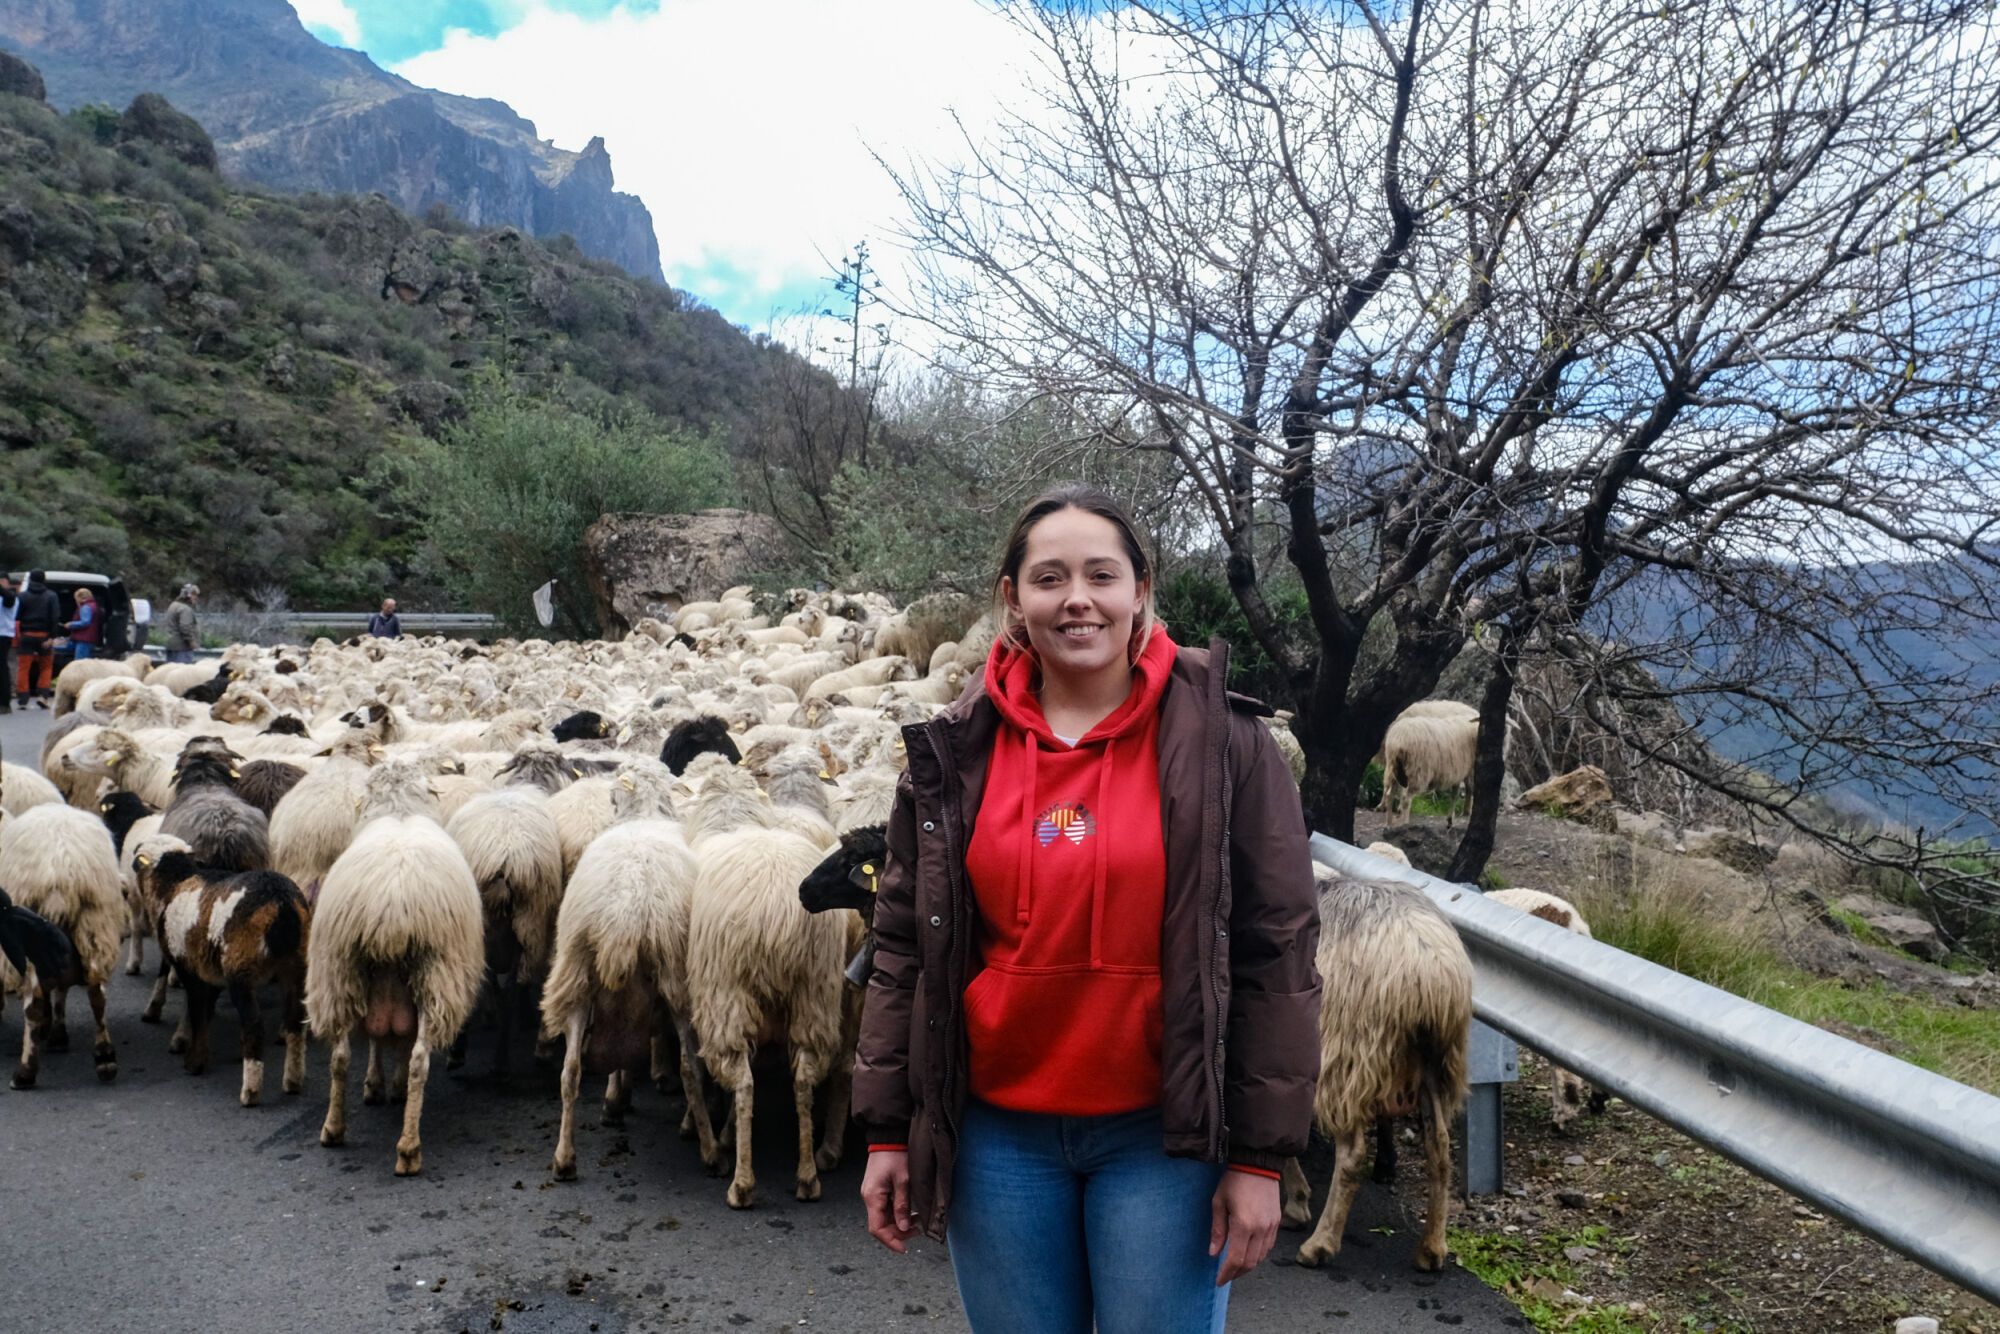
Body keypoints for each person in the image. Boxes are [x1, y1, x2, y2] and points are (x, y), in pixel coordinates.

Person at [854, 483, 1321, 1334]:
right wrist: (889, 1131)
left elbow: (1276, 950)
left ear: (1140, 589)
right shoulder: (953, 754)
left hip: (1164, 1139)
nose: (1078, 600)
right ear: (1013, 597)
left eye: (1102, 576)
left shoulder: (1226, 745)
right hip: (998, 1138)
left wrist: (1260, 1156)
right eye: (1050, 577)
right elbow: (903, 951)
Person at [13, 571, 61, 708]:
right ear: (44, 580)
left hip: (26, 636)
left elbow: (17, 617)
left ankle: (22, 699)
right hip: (44, 636)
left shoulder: (22, 596)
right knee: (46, 667)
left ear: (31, 580)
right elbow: (55, 617)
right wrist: (52, 637)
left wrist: (20, 634)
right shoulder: (51, 596)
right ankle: (43, 696)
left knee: (23, 668)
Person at [162, 584, 200, 663]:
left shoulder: (173, 605)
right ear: (187, 595)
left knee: (171, 672)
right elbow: (185, 628)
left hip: (171, 645)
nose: (195, 597)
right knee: (182, 672)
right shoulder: (185, 609)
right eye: (193, 594)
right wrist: (192, 642)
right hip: (182, 648)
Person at [64, 587, 102, 660]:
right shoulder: (94, 605)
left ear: (80, 597)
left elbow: (85, 622)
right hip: (90, 638)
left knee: (79, 662)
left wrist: (71, 624)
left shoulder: (86, 607)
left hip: (84, 639)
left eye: (76, 599)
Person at [0, 575, 16, 714]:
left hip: (3, 635)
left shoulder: (10, 596)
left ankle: (4, 702)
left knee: (2, 667)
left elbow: (8, 600)